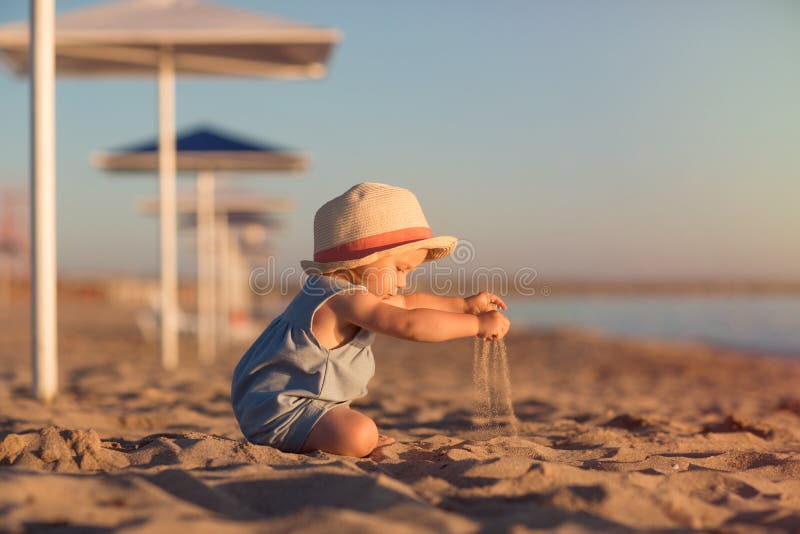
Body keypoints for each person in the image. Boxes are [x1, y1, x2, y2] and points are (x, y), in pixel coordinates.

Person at [231, 182, 510, 457]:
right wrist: (476, 325)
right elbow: (409, 323)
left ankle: (332, 428)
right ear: (361, 258)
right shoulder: (342, 298)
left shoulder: (340, 290)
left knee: (356, 427)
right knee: (360, 434)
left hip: (287, 402)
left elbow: (410, 304)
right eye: (400, 269)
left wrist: (463, 306)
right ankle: (330, 435)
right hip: (283, 410)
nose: (402, 282)